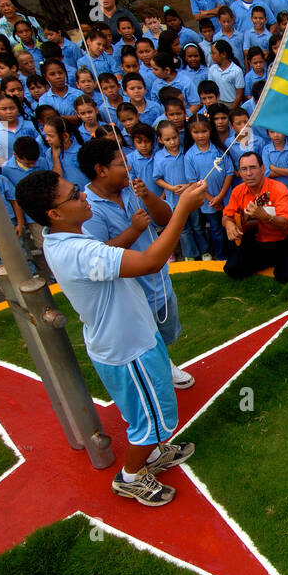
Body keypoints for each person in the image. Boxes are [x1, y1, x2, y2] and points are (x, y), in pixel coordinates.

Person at [14, 168, 207, 505]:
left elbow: (118, 256)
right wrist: (182, 210)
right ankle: (131, 477)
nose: (84, 196)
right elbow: (150, 261)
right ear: (54, 213)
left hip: (134, 338)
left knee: (150, 414)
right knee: (151, 421)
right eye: (74, 195)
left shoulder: (66, 237)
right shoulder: (77, 251)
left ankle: (151, 456)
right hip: (127, 350)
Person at [78, 138, 195, 388]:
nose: (129, 170)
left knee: (163, 334)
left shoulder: (131, 188)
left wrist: (148, 196)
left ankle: (164, 363)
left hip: (159, 279)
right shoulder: (87, 208)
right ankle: (154, 377)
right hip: (129, 294)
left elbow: (165, 219)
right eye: (122, 164)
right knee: (142, 341)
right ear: (101, 170)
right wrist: (133, 230)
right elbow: (97, 257)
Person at [222, 150, 288, 284]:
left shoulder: (279, 189)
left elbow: (285, 224)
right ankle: (269, 261)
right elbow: (226, 215)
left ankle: (280, 261)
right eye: (244, 169)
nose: (248, 173)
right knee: (232, 269)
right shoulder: (238, 191)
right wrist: (228, 224)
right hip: (256, 239)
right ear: (240, 173)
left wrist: (265, 217)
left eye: (253, 168)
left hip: (282, 240)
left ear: (262, 169)